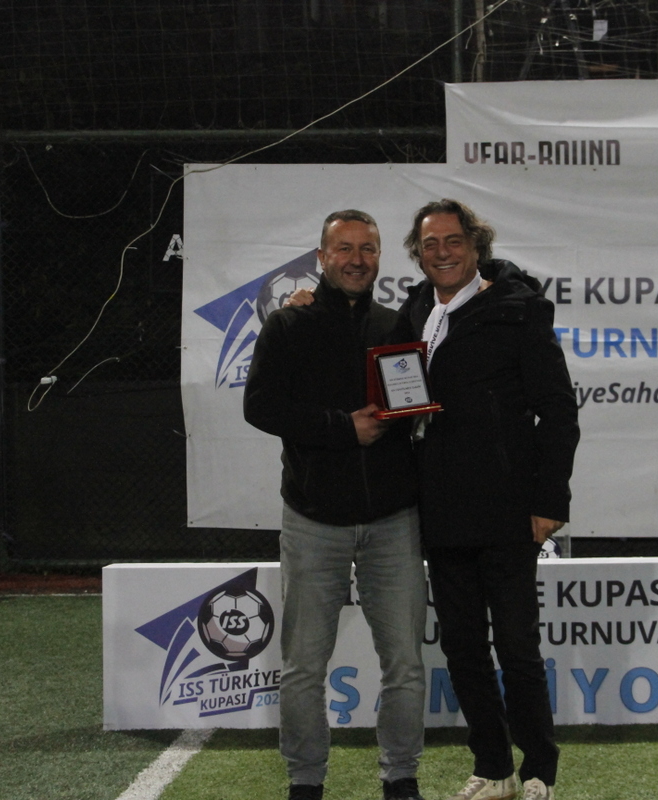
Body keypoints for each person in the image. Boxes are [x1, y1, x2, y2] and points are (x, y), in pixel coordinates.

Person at [395, 199, 579, 800]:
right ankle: (494, 768)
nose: (442, 252)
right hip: (441, 509)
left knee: (518, 648)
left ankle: (539, 769)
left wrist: (549, 500)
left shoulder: (519, 309)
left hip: (507, 509)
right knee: (463, 648)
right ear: (418, 254)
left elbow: (558, 410)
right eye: (430, 244)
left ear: (476, 246)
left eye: (453, 241)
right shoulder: (416, 309)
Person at [243, 209, 427, 800]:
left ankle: (401, 778)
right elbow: (260, 407)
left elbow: (410, 409)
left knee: (405, 664)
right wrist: (342, 428)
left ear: (379, 257)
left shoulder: (396, 326)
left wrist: (412, 415)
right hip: (313, 521)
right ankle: (305, 783)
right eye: (343, 248)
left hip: (393, 521)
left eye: (367, 248)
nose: (356, 259)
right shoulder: (287, 325)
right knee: (303, 667)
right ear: (321, 258)